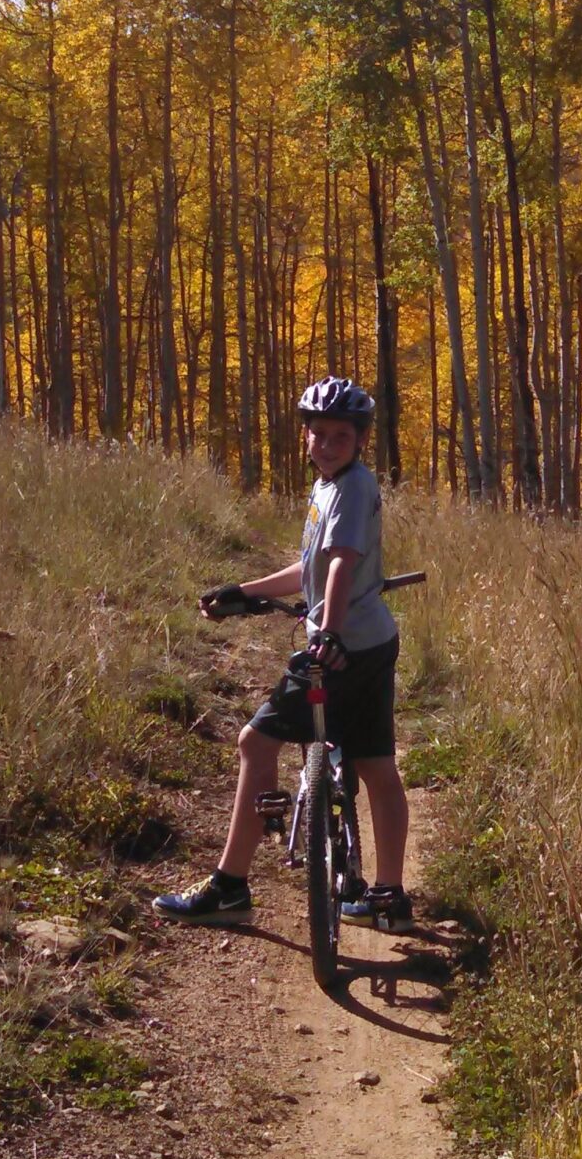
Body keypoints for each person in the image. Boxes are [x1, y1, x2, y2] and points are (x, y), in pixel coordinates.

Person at [152, 376, 414, 933]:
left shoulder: (348, 489)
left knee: (256, 740)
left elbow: (340, 565)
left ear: (360, 439)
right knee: (373, 765)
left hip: (341, 645)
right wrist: (246, 592)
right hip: (372, 642)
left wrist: (328, 631)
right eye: (317, 434)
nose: (326, 444)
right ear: (306, 438)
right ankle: (388, 896)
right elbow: (312, 570)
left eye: (339, 436)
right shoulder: (334, 486)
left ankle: (229, 886)